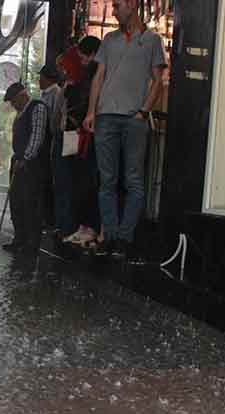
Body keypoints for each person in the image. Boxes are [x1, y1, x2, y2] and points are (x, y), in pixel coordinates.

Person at [83, 0, 166, 257]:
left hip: (134, 118)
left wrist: (144, 111)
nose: (115, 11)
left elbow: (158, 80)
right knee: (107, 180)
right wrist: (91, 111)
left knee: (133, 180)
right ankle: (110, 235)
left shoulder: (152, 41)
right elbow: (99, 77)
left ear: (132, 5)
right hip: (106, 116)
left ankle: (124, 238)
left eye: (118, 6)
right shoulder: (109, 40)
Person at [60, 36, 102, 247]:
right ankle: (84, 227)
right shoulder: (85, 76)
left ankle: (88, 228)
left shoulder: (92, 75)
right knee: (82, 182)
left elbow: (82, 103)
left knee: (86, 182)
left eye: (83, 57)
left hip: (85, 134)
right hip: (82, 134)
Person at [2, 82, 50, 255]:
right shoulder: (20, 113)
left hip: (33, 165)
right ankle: (19, 239)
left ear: (22, 96)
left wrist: (25, 158)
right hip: (19, 161)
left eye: (14, 101)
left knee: (31, 204)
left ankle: (31, 243)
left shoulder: (38, 108)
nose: (13, 105)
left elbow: (37, 136)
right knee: (16, 202)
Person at [38, 63, 72, 240]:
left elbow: (55, 118)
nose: (38, 80)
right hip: (49, 140)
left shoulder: (56, 93)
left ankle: (57, 222)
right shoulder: (49, 93)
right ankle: (52, 220)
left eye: (41, 77)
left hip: (56, 140)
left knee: (58, 182)